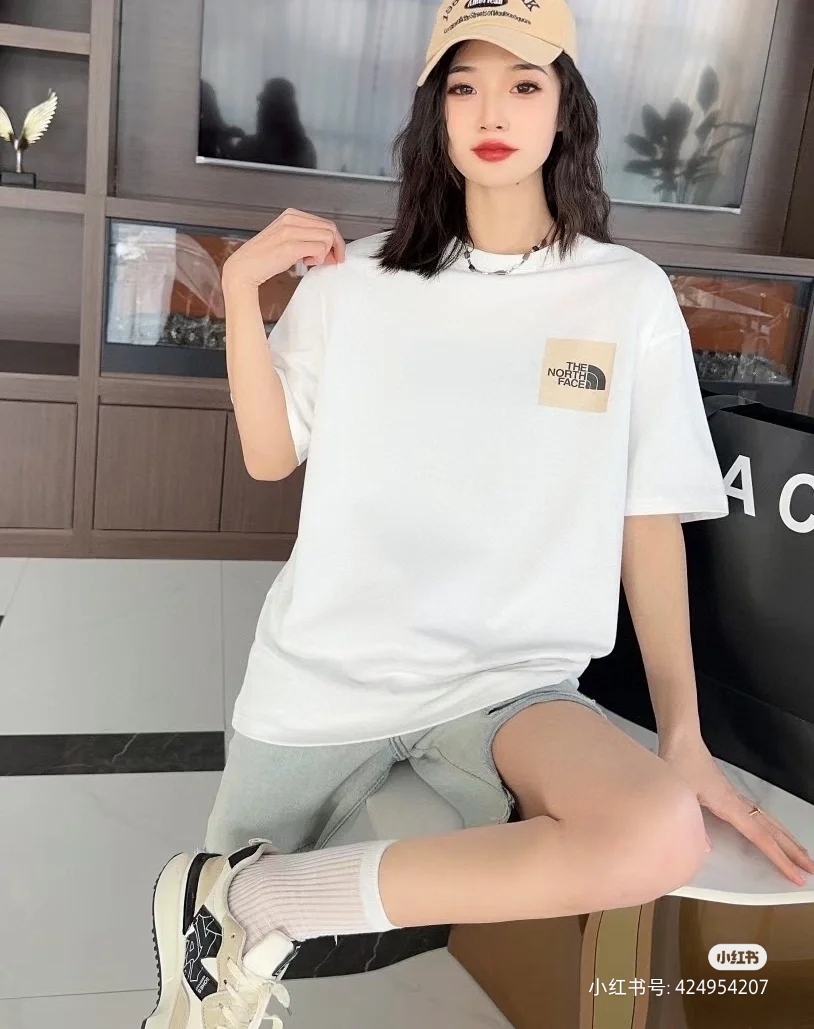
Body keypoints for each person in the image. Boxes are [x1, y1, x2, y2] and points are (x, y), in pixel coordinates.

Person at [142, 1, 814, 1026]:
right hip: (326, 670)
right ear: (436, 113)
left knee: (658, 833)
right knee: (209, 961)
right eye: (464, 86)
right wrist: (239, 293)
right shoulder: (355, 283)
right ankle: (237, 916)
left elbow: (648, 519)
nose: (491, 111)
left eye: (523, 84)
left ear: (564, 109)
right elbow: (271, 456)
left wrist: (682, 736)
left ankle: (254, 902)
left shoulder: (626, 296)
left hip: (511, 684)